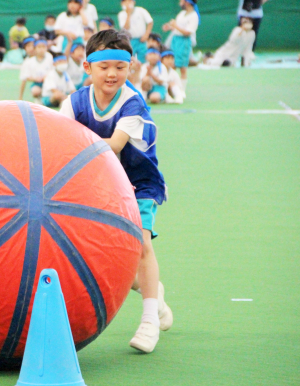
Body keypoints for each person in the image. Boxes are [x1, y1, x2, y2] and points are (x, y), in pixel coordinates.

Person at [58, 29, 173, 354]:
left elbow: (113, 145)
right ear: (87, 66)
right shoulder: (74, 101)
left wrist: (69, 144)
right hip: (98, 187)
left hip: (138, 185)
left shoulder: (132, 104)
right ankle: (156, 295)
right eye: (104, 66)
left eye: (120, 67)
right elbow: (56, 139)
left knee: (140, 247)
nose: (112, 74)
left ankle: (150, 321)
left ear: (130, 68)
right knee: (114, 262)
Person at [163, 0, 199, 96]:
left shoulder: (194, 16)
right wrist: (170, 27)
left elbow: (188, 32)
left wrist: (175, 26)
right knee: (172, 65)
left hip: (184, 42)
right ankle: (172, 89)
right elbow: (178, 26)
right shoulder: (182, 13)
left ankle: (182, 91)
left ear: (187, 2)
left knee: (183, 67)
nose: (180, 2)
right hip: (175, 40)